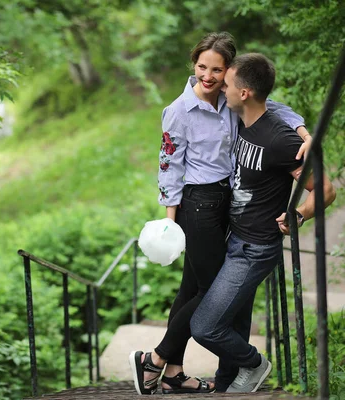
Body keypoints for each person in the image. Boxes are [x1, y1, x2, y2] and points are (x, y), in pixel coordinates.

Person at [129, 32, 312, 395]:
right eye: (201, 67)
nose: (208, 76)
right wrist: (170, 218)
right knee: (212, 289)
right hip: (197, 206)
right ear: (193, 64)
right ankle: (155, 359)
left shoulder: (233, 99)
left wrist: (305, 133)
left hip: (225, 203)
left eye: (217, 69)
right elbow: (169, 165)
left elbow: (275, 107)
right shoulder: (179, 111)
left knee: (191, 287)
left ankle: (172, 372)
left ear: (229, 72)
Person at [188, 52, 336, 392]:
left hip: (255, 248)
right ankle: (227, 382)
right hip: (233, 238)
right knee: (231, 318)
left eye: (226, 84)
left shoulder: (280, 140)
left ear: (244, 93)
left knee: (205, 326)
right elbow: (278, 103)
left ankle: (255, 364)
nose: (219, 88)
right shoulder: (240, 118)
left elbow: (325, 189)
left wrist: (300, 214)